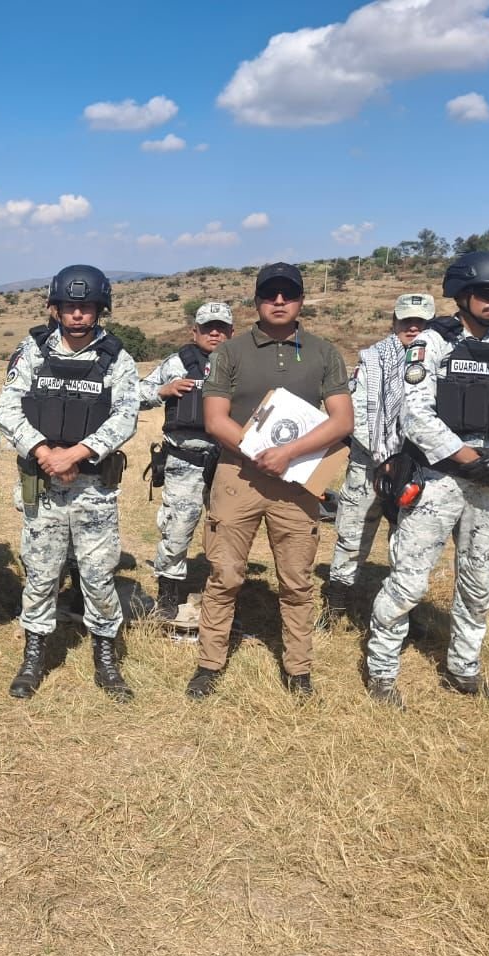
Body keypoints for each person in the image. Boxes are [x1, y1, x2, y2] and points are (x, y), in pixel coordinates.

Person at [364, 252, 489, 709]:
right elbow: (416, 415)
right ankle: (381, 671)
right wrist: (470, 460)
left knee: (478, 583)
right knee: (409, 581)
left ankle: (464, 671)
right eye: (487, 292)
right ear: (462, 294)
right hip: (439, 479)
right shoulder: (432, 343)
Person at [186, 262, 352, 700]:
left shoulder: (324, 353)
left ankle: (298, 670)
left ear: (301, 300)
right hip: (237, 475)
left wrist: (288, 455)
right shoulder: (230, 352)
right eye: (270, 294)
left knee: (297, 580)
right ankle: (209, 664)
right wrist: (262, 454)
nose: (279, 301)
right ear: (257, 300)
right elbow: (215, 420)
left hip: (296, 482)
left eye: (288, 294)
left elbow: (342, 420)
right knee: (224, 575)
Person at [0, 264, 140, 702]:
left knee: (97, 574)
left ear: (100, 310)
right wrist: (45, 453)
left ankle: (106, 658)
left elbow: (125, 417)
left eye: (87, 307)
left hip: (93, 487)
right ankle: (34, 656)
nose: (78, 315)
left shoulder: (117, 357)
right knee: (41, 573)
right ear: (54, 308)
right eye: (70, 306)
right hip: (44, 484)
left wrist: (75, 454)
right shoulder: (32, 350)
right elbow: (7, 409)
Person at [318, 293, 434, 626]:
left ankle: (403, 611)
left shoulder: (439, 360)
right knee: (352, 535)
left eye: (421, 322)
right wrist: (388, 458)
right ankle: (336, 605)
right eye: (406, 321)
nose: (413, 327)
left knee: (410, 540)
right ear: (394, 322)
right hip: (369, 465)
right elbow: (355, 414)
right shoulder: (373, 360)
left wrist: (413, 459)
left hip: (419, 469)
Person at [138, 301, 234, 621]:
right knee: (177, 530)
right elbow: (134, 394)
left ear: (232, 332)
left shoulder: (241, 364)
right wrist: (164, 391)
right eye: (208, 328)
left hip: (228, 463)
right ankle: (168, 594)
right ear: (195, 332)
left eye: (221, 328)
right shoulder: (176, 362)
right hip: (184, 461)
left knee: (227, 531)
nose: (215, 333)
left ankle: (221, 594)